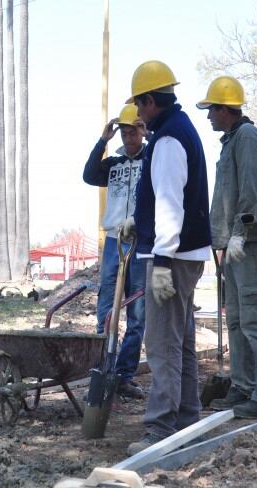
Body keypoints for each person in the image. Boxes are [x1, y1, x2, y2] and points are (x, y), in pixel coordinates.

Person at [121, 60, 212, 455]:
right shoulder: (179, 130)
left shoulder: (169, 139)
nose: (138, 115)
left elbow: (171, 203)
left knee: (162, 344)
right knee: (182, 341)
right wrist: (137, 223)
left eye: (140, 106)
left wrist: (160, 259)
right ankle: (188, 417)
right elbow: (164, 198)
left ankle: (161, 427)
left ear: (152, 100)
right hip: (183, 254)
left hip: (172, 258)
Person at [197, 76, 257, 419]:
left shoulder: (247, 138)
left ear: (225, 108)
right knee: (236, 319)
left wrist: (240, 233)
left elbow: (251, 190)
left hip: (250, 243)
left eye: (211, 110)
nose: (208, 117)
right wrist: (224, 240)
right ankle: (244, 387)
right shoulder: (232, 141)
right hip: (234, 245)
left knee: (256, 319)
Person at [82, 103, 148, 399]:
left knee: (137, 310)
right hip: (113, 240)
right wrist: (102, 140)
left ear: (142, 131)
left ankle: (124, 375)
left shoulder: (152, 157)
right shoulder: (114, 163)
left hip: (141, 238)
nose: (128, 136)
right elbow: (88, 175)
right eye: (123, 131)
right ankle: (102, 369)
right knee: (106, 305)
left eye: (133, 130)